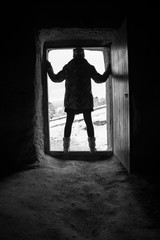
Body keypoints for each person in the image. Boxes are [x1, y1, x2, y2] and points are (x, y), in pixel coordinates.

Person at [46, 47, 111, 153]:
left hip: (71, 100)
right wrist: (109, 69)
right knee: (89, 122)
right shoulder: (88, 67)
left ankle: (65, 150)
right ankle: (92, 149)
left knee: (69, 123)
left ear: (73, 54)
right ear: (83, 54)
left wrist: (49, 67)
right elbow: (100, 79)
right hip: (85, 100)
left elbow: (56, 78)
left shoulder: (69, 67)